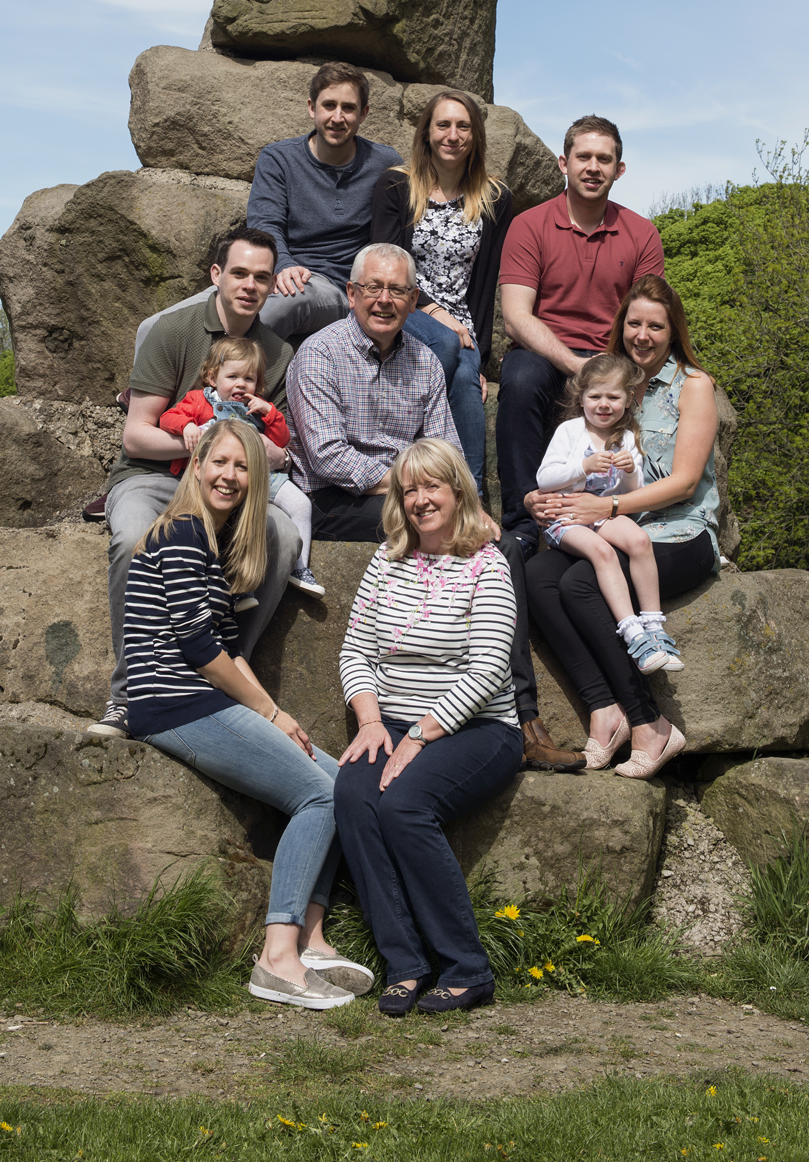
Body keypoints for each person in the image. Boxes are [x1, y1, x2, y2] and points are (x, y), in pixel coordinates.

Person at [287, 241, 583, 773]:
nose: (384, 300)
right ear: (352, 294)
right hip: (336, 500)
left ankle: (523, 721)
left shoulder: (424, 361)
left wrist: (464, 504)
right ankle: (505, 717)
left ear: (413, 298)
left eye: (397, 290)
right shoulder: (318, 354)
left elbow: (446, 450)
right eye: (372, 288)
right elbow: (329, 458)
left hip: (413, 495)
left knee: (502, 545)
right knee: (454, 537)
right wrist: (417, 492)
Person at [123, 417, 372, 1009]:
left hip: (203, 697)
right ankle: (275, 959)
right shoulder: (182, 533)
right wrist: (271, 713)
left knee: (343, 782)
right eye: (221, 463)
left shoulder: (214, 545)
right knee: (318, 796)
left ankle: (311, 937)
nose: (230, 476)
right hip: (173, 703)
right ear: (197, 465)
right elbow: (199, 650)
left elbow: (232, 647)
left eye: (243, 467)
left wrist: (274, 713)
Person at [333, 439, 524, 1016]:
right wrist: (369, 720)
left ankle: (467, 968)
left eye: (431, 486)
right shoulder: (385, 561)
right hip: (387, 720)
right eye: (409, 489)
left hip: (477, 728)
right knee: (353, 795)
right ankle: (406, 962)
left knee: (404, 806)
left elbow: (491, 664)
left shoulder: (487, 564)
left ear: (457, 490)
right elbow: (354, 651)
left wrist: (420, 733)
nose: (420, 500)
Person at [89, 224, 301, 739]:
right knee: (133, 536)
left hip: (230, 484)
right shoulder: (173, 332)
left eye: (261, 277)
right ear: (216, 275)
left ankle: (229, 677)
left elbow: (281, 450)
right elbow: (137, 435)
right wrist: (195, 442)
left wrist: (250, 448)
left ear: (273, 284)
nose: (249, 285)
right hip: (155, 475)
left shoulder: (278, 353)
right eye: (239, 273)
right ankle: (130, 695)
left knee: (284, 537)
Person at [524, 276, 722, 779]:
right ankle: (603, 710)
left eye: (656, 325)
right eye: (634, 323)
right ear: (621, 326)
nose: (643, 334)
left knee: (579, 583)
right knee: (539, 577)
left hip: (680, 532)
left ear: (673, 330)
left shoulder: (693, 386)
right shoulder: (606, 385)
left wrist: (607, 510)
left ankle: (648, 722)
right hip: (615, 526)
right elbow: (571, 461)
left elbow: (684, 482)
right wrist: (540, 499)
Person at [134, 63, 402, 351]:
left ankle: (208, 390)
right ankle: (143, 394)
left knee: (273, 311)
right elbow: (265, 222)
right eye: (329, 105)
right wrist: (284, 265)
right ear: (312, 108)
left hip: (334, 285)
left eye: (348, 108)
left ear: (363, 114)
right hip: (273, 273)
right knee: (153, 327)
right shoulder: (278, 159)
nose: (337, 117)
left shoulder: (384, 163)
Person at [496, 116, 664, 556]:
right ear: (563, 163)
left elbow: (647, 318)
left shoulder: (641, 233)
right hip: (547, 352)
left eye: (604, 159)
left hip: (613, 356)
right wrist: (575, 365)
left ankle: (629, 511)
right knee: (519, 379)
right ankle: (523, 521)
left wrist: (623, 371)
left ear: (619, 169)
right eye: (583, 157)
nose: (593, 167)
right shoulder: (529, 225)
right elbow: (515, 318)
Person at [370, 89, 513, 489]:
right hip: (401, 307)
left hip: (461, 322)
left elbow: (485, 287)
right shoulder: (396, 185)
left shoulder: (495, 197)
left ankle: (472, 495)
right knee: (448, 346)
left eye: (463, 126)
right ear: (427, 133)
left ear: (475, 135)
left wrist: (481, 358)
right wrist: (433, 311)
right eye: (443, 125)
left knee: (467, 375)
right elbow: (386, 264)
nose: (453, 135)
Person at [535, 352, 682, 678]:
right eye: (595, 396)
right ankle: (632, 633)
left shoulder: (627, 438)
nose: (604, 404)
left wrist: (631, 471)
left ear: (628, 400)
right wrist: (582, 467)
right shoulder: (570, 432)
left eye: (613, 397)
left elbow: (631, 496)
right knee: (603, 553)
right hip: (568, 517)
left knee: (640, 540)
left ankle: (654, 628)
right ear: (581, 397)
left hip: (605, 515)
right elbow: (544, 479)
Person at [158, 335, 323, 599]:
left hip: (260, 476)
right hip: (219, 480)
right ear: (213, 378)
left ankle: (299, 567)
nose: (240, 384)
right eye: (232, 376)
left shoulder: (256, 407)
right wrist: (186, 426)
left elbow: (281, 440)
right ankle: (234, 585)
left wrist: (268, 411)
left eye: (249, 379)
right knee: (229, 522)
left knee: (301, 505)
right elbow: (168, 417)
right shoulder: (199, 400)